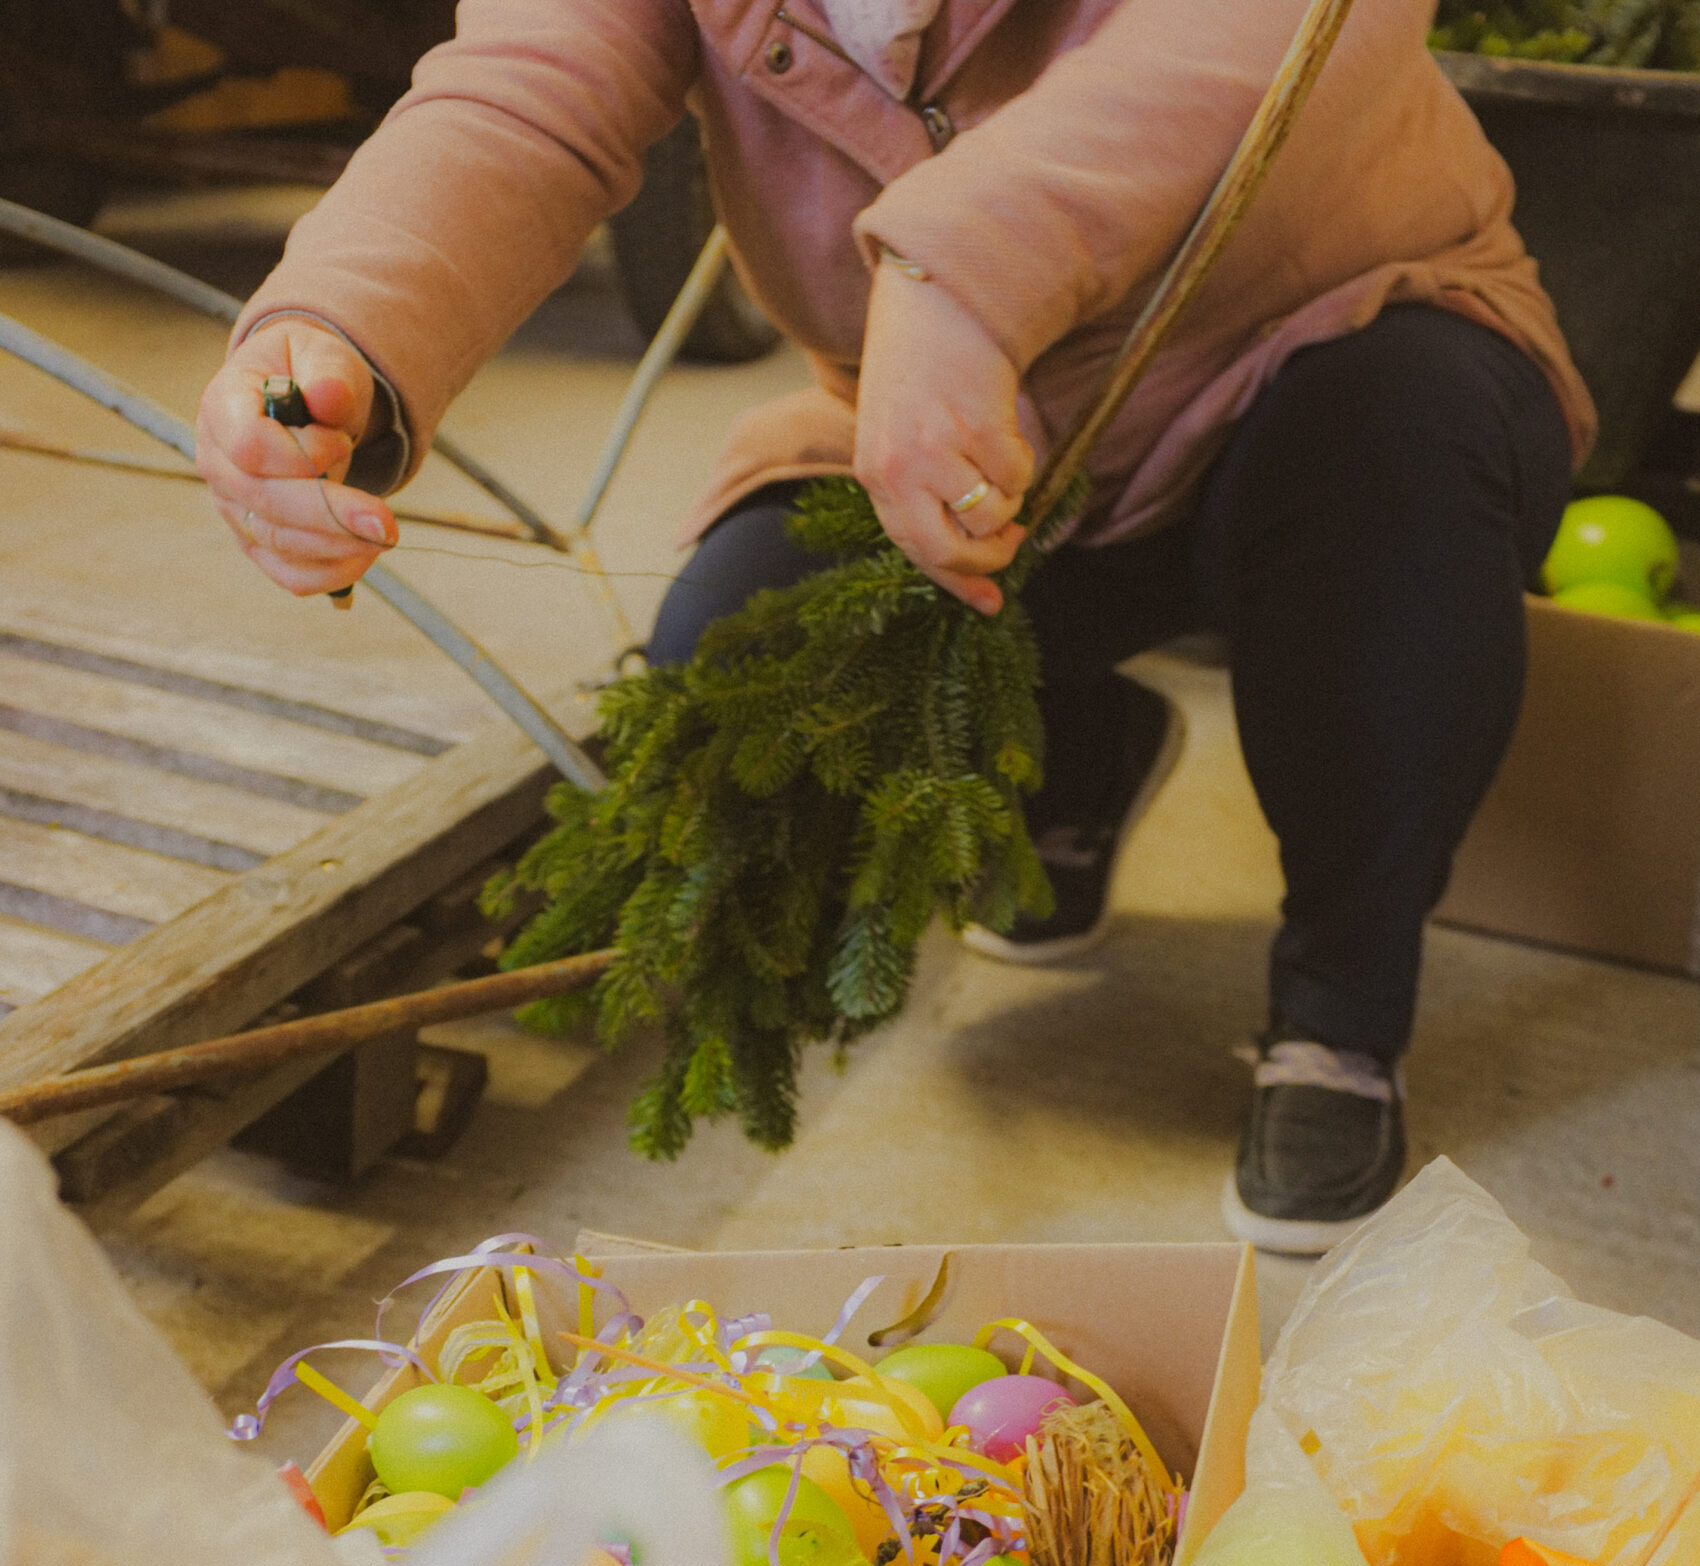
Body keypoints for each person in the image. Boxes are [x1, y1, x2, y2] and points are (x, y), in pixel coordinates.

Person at [196, 0, 1591, 1253]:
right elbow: (522, 95)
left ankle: (1342, 1008)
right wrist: (338, 331)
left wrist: (958, 272)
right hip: (958, 427)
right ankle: (1080, 750)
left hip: (1327, 333)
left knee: (1383, 495)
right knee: (741, 666)